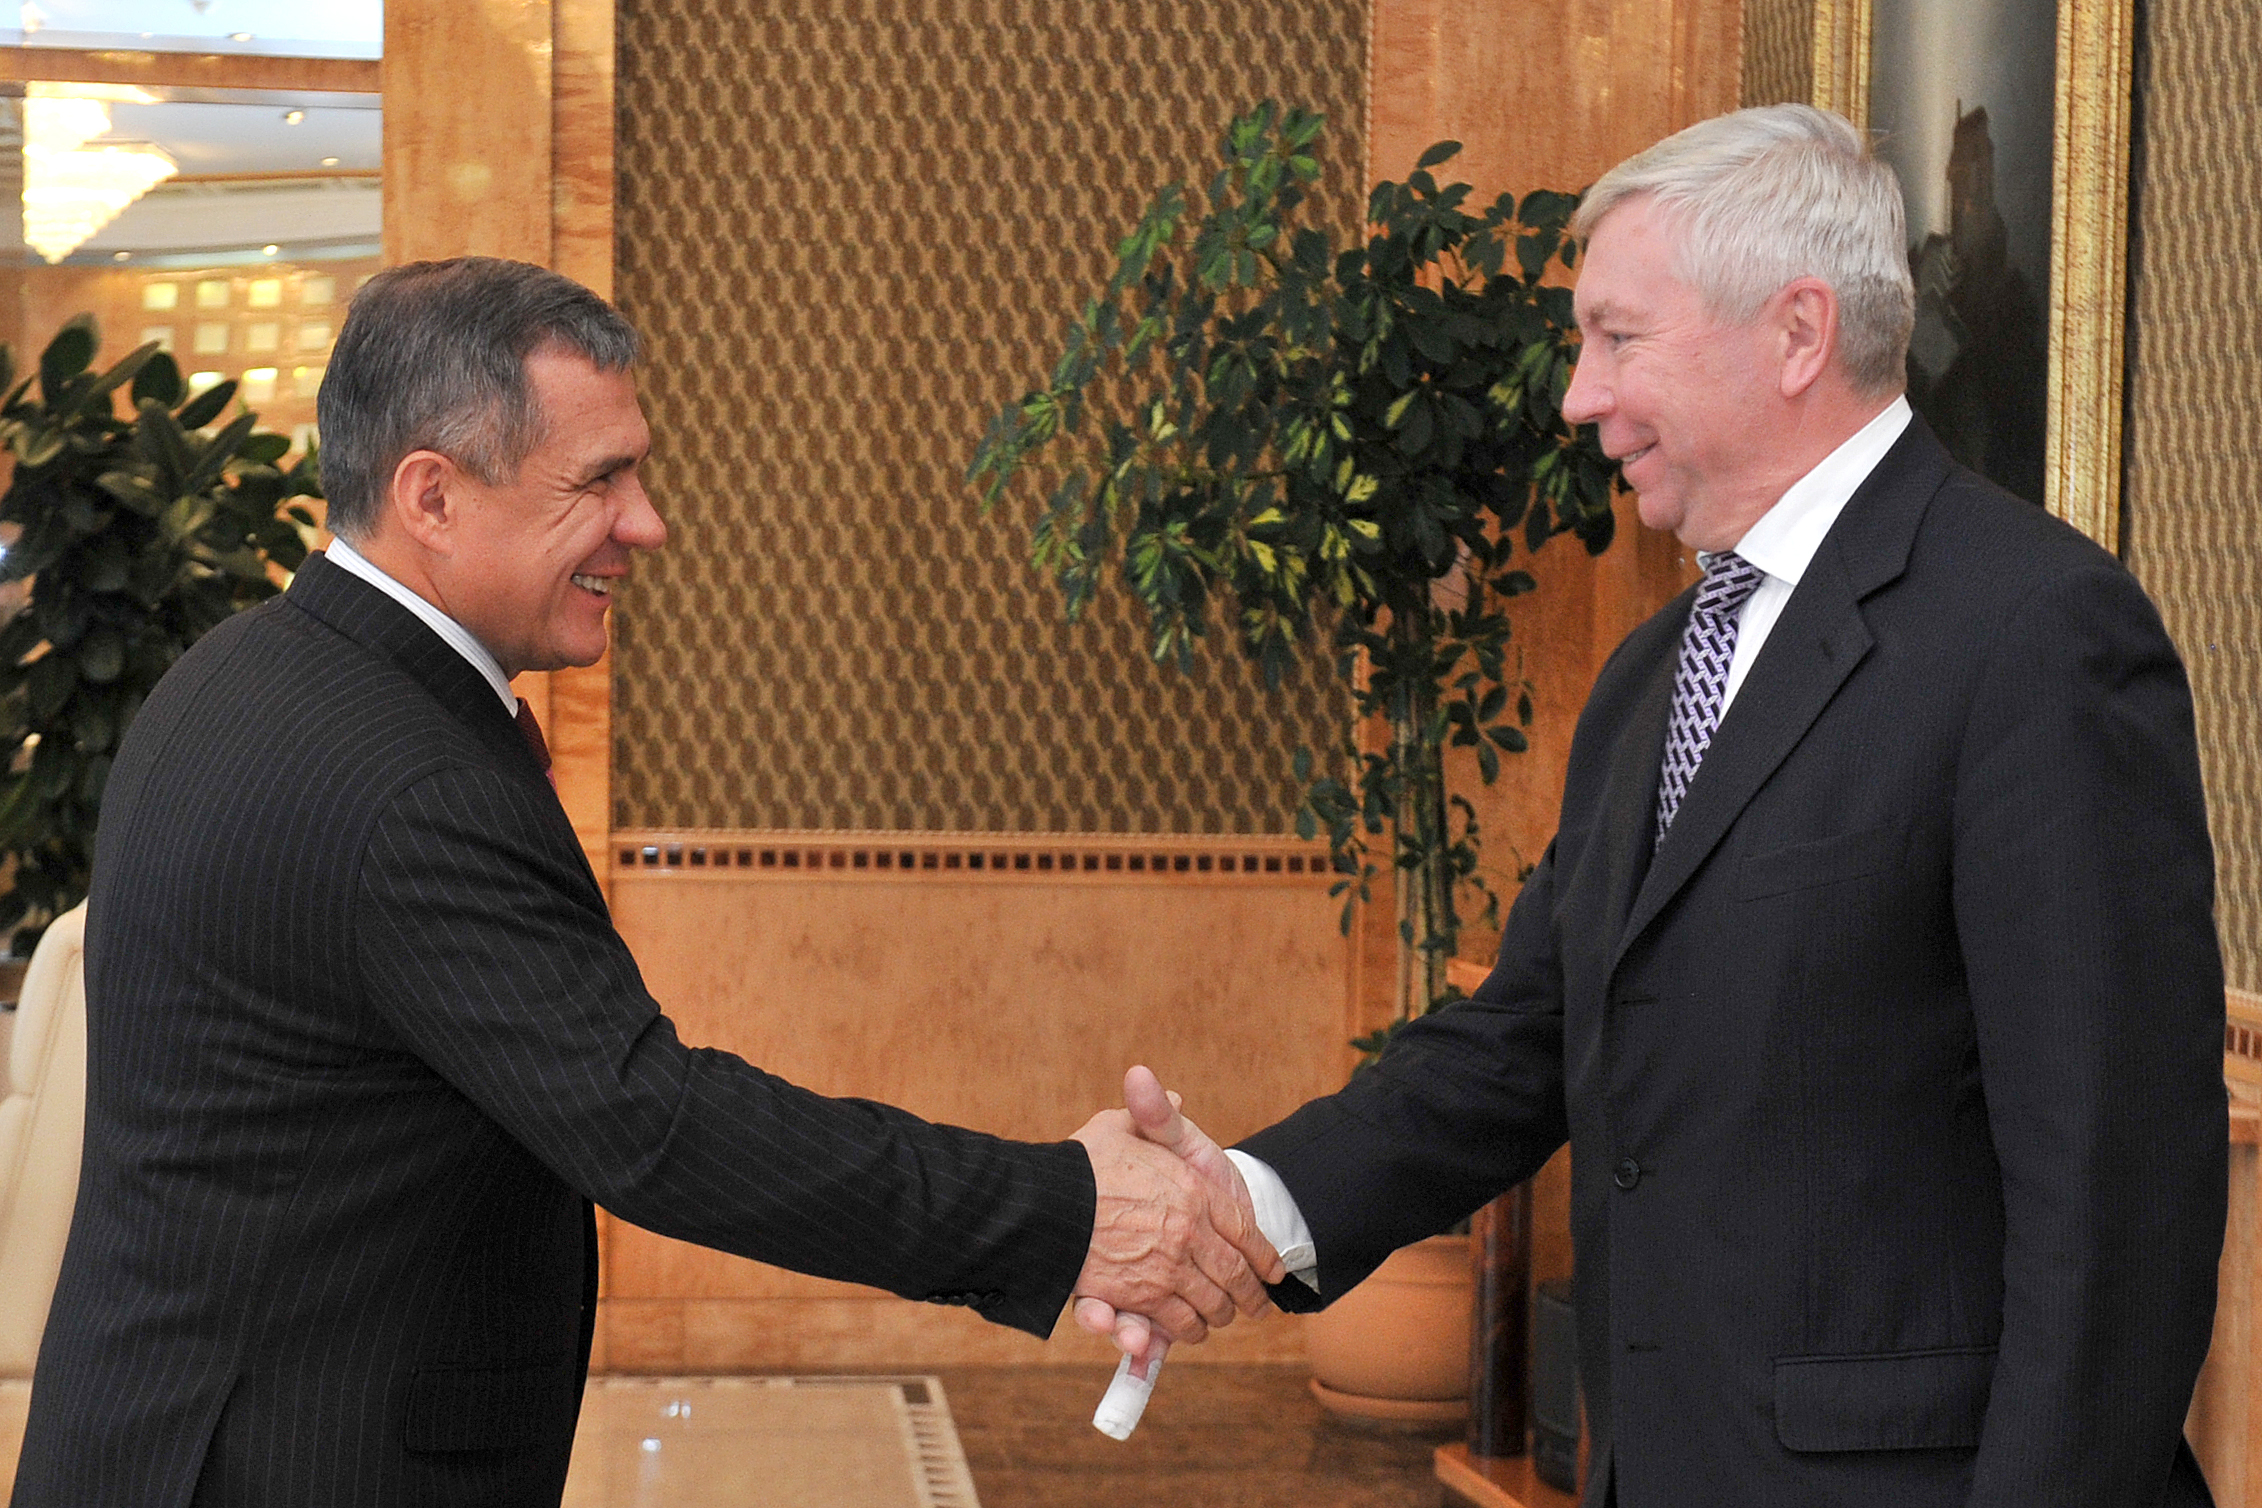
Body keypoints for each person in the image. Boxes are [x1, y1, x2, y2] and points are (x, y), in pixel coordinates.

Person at [1087, 103, 2228, 1506]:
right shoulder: (1654, 671)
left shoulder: (2036, 631)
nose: (1578, 397)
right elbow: (1521, 1038)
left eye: (1617, 338)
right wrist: (1247, 1201)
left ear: (1796, 333)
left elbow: (2117, 1194)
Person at [10, 257, 1279, 1508]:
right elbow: (656, 1127)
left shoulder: (239, 673)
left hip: (161, 1437)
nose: (647, 522)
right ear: (432, 495)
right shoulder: (407, 783)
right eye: (599, 479)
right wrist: (1069, 1212)